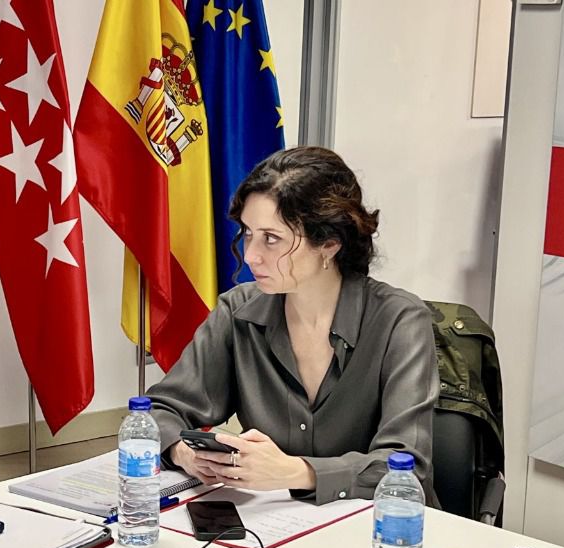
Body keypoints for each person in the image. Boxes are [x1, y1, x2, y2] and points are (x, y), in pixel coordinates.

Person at [148, 146, 439, 505]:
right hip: (276, 528)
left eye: (272, 239)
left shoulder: (401, 321)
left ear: (329, 244)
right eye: (248, 234)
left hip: (382, 535)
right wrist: (184, 453)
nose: (252, 255)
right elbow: (157, 412)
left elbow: (408, 470)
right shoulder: (237, 310)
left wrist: (296, 473)